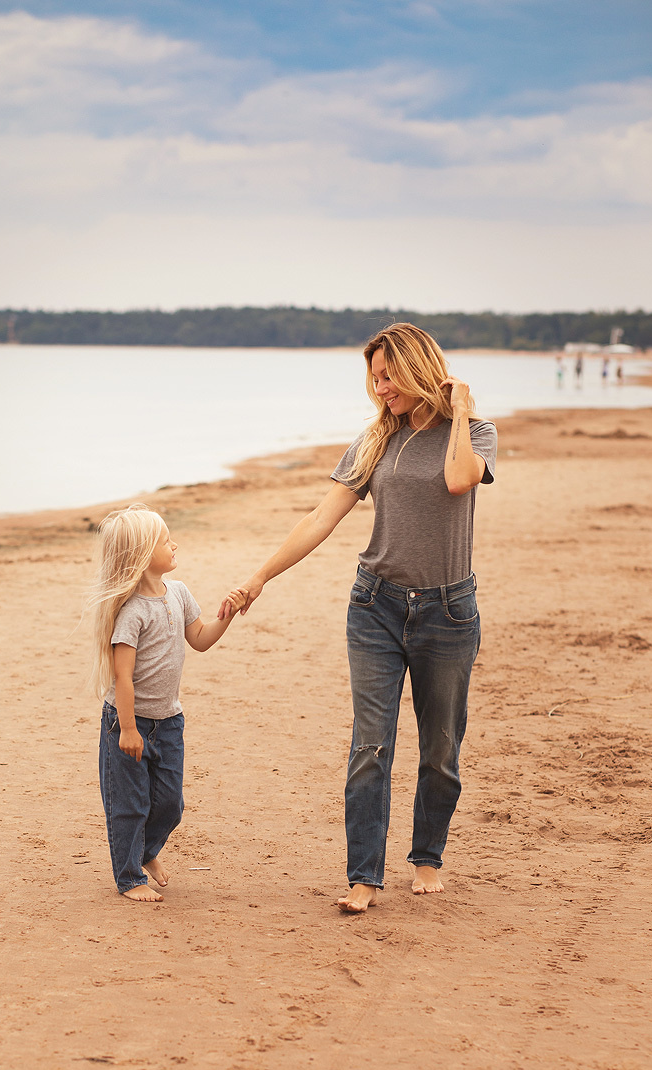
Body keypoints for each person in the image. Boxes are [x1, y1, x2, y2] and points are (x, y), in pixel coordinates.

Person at [221, 323, 497, 913]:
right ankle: (364, 875)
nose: (380, 389)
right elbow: (320, 519)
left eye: (388, 376)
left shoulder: (475, 435)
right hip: (375, 607)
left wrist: (459, 411)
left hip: (448, 613)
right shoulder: (375, 442)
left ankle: (427, 858)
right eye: (374, 379)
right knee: (370, 744)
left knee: (441, 747)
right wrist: (259, 577)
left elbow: (457, 479)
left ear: (419, 368)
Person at [88, 503, 246, 902]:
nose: (173, 544)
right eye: (164, 540)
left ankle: (145, 852)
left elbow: (201, 639)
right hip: (128, 721)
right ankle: (129, 878)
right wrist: (126, 728)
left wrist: (226, 614)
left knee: (170, 803)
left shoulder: (178, 592)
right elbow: (123, 676)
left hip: (169, 721)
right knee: (131, 805)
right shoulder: (131, 612)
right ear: (142, 556)